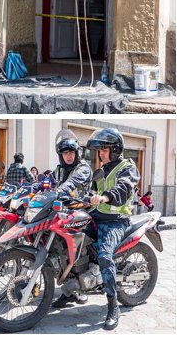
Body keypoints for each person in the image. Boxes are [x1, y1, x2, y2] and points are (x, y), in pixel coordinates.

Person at [87, 128, 140, 330]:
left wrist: (105, 196)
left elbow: (124, 187)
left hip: (116, 220)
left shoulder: (128, 168)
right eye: (99, 150)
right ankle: (72, 290)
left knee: (104, 255)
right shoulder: (100, 170)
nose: (100, 153)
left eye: (104, 149)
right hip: (95, 216)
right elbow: (90, 192)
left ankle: (112, 306)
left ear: (115, 149)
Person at [52, 129, 94, 308]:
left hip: (85, 213)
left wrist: (60, 190)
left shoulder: (83, 168)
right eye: (65, 153)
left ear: (77, 153)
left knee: (79, 248)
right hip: (65, 212)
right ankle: (70, 288)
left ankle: (85, 281)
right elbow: (50, 182)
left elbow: (73, 182)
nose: (68, 156)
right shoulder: (60, 169)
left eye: (71, 152)